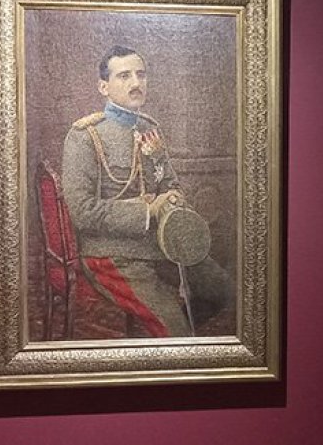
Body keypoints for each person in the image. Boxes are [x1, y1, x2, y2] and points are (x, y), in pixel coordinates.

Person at [61, 45, 232, 337]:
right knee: (174, 328)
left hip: (160, 245)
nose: (136, 82)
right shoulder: (84, 136)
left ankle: (170, 338)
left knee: (224, 290)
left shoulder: (150, 128)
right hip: (111, 254)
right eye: (124, 76)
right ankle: (174, 336)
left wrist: (173, 197)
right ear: (103, 87)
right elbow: (83, 211)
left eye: (141, 75)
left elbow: (171, 184)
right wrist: (149, 209)